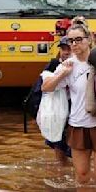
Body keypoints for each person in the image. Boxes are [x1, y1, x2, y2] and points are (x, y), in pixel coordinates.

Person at [42, 24, 96, 184]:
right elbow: (46, 87)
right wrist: (62, 74)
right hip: (78, 125)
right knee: (81, 177)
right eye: (71, 41)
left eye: (78, 39)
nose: (74, 44)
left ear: (89, 39)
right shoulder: (68, 65)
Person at [42, 36, 72, 165]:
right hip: (57, 114)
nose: (66, 52)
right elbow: (45, 88)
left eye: (69, 49)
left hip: (76, 113)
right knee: (60, 153)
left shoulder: (85, 65)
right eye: (63, 49)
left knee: (79, 152)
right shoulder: (54, 65)